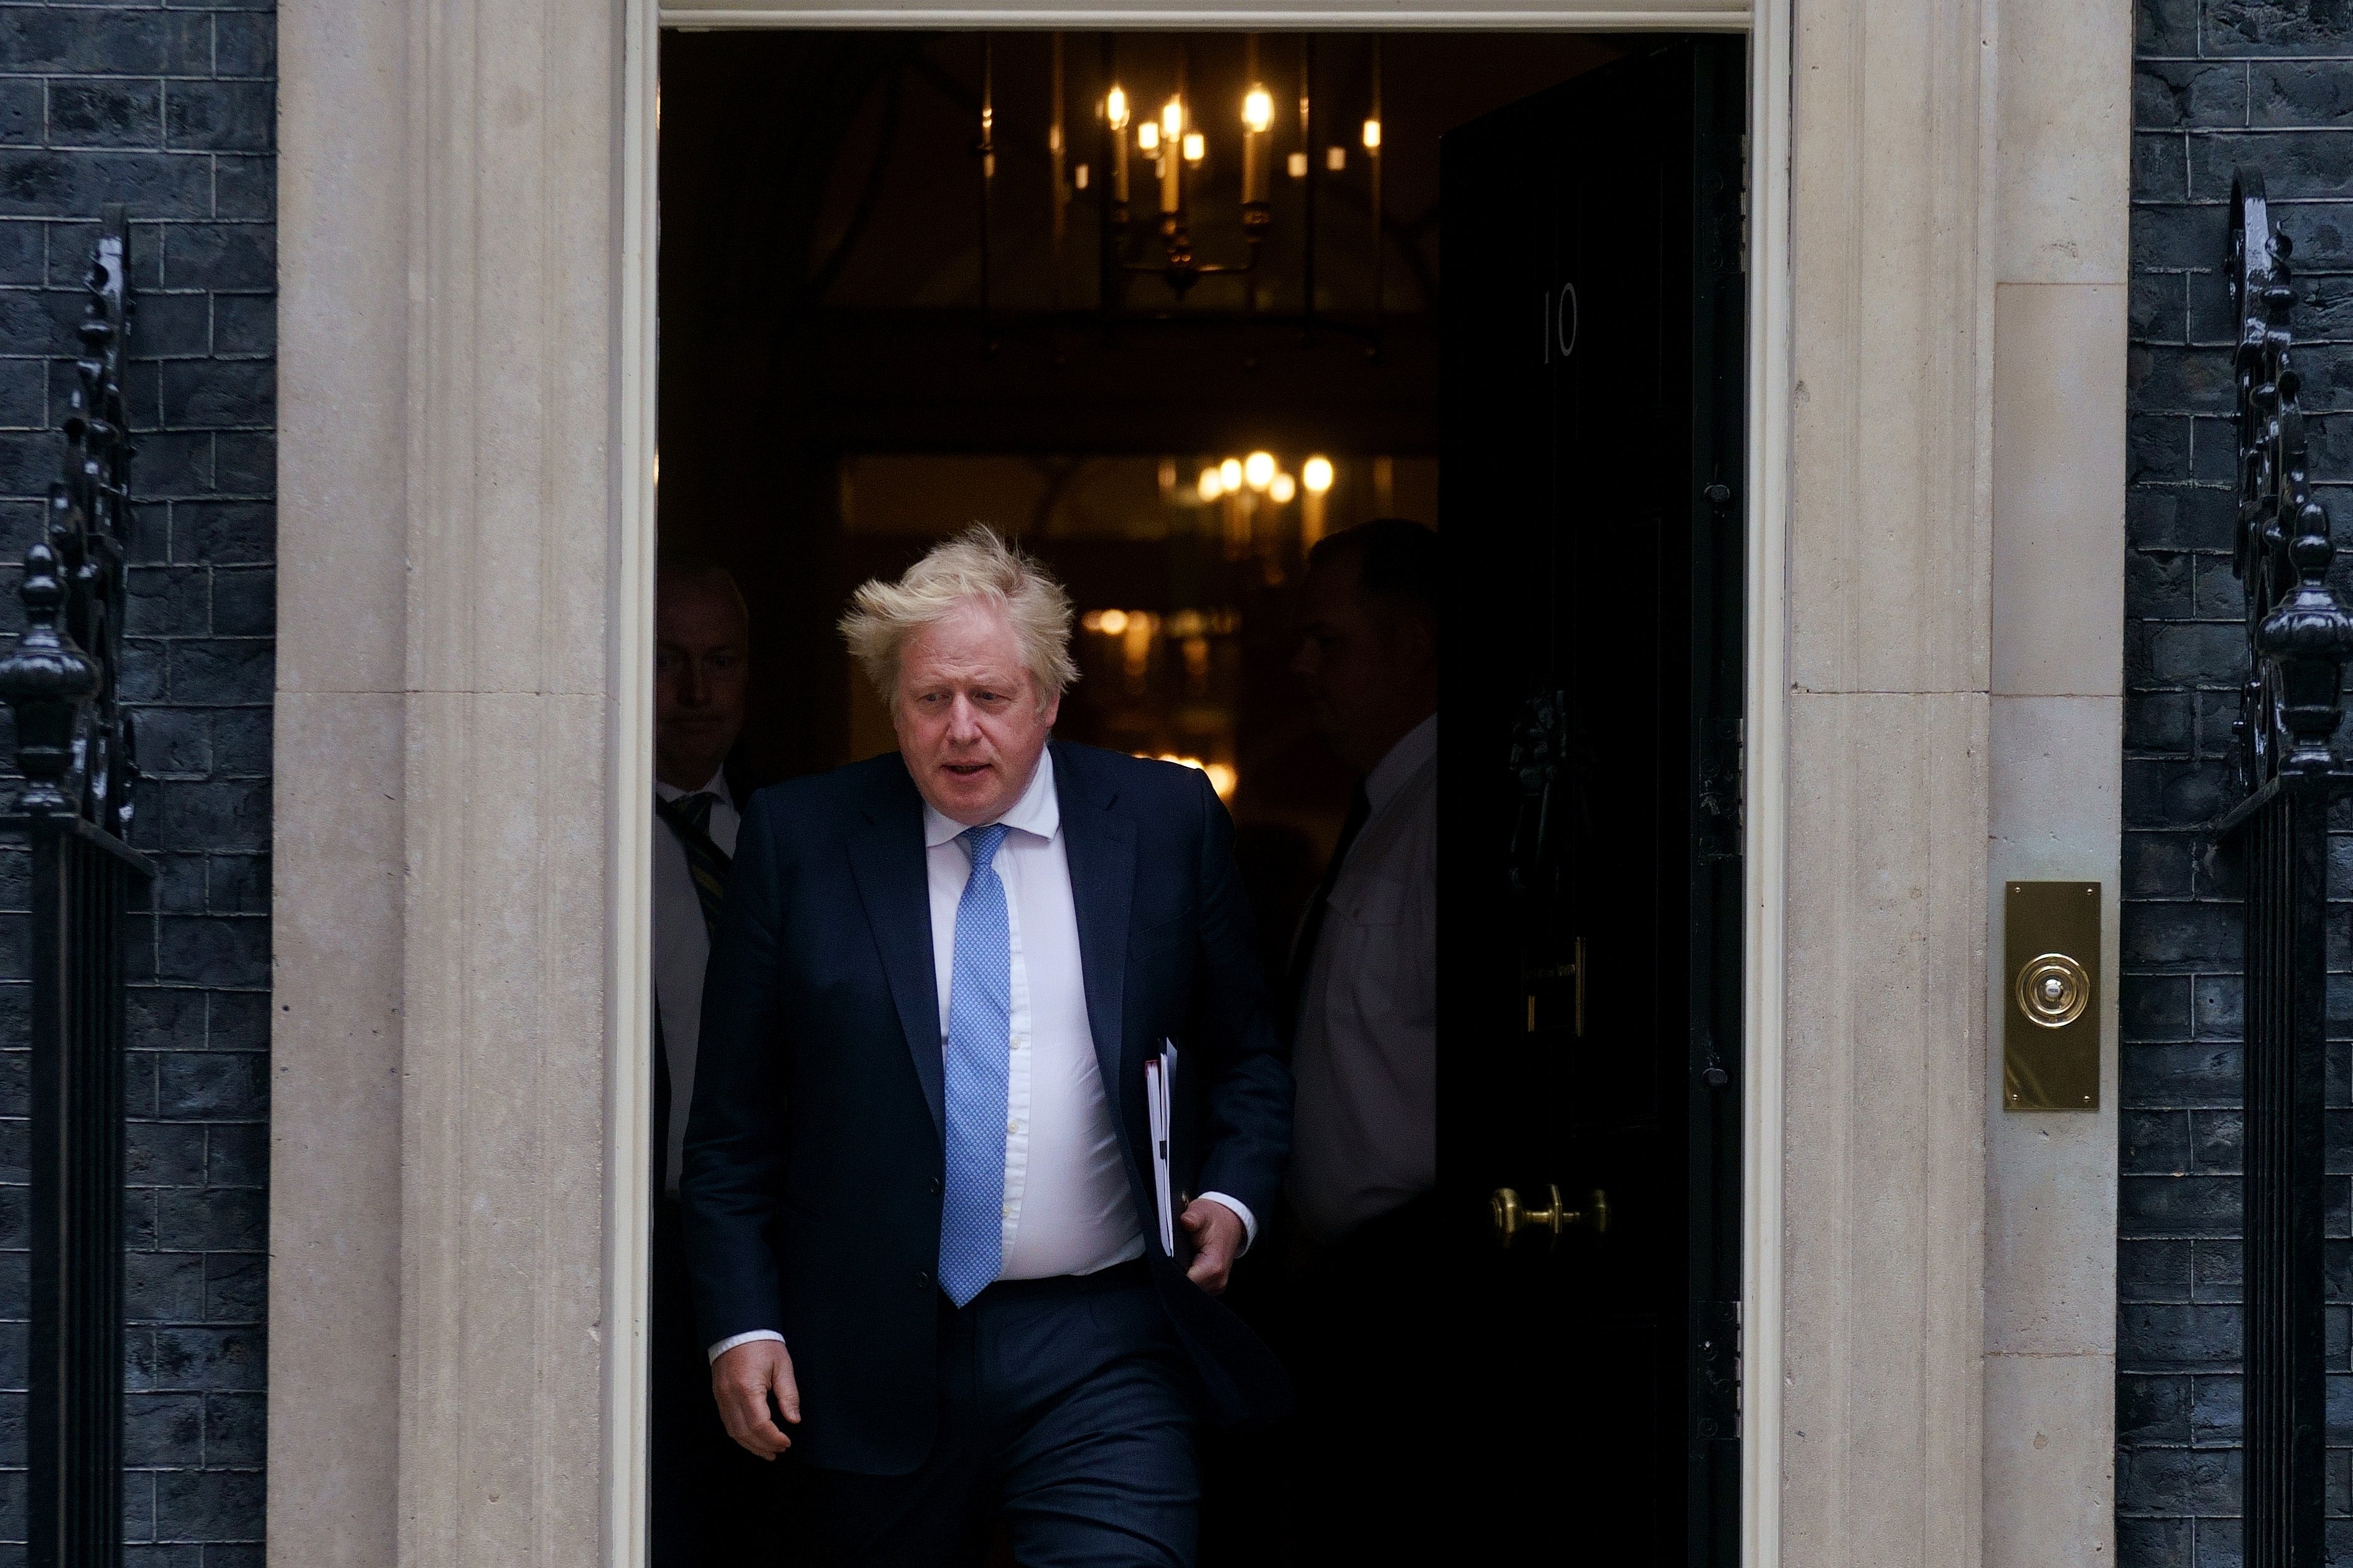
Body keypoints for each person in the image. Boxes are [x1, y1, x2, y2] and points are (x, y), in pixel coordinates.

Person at [680, 524, 1292, 1568]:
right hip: (862, 1348)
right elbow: (734, 1129)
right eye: (929, 700)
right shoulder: (802, 840)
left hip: (1103, 1342)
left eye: (991, 698)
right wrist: (743, 1323)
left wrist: (1231, 1199)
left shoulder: (1162, 818)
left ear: (1049, 697)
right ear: (894, 703)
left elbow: (1248, 1056)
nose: (960, 731)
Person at [1280, 517, 1439, 1559]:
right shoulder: (1386, 809)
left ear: (1414, 643)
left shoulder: (1440, 822)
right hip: (1334, 1294)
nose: (1304, 667)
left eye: (1329, 640)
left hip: (1413, 1296)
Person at [646, 554, 786, 1565]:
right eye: (666, 660)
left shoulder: (793, 840)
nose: (695, 692)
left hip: (779, 1253)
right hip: (637, 1247)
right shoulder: (580, 840)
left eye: (720, 661)